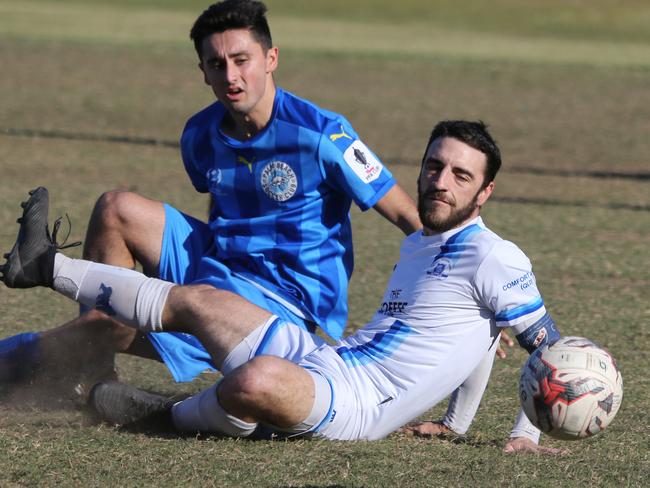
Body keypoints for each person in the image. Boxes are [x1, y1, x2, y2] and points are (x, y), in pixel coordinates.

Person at [0, 120, 563, 451]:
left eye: (460, 176)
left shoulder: (494, 254)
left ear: (484, 193)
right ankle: (44, 267)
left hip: (357, 405)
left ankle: (161, 415)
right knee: (204, 300)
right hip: (327, 359)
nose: (441, 183)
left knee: (257, 381)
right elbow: (487, 336)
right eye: (434, 167)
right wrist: (453, 423)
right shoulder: (421, 243)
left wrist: (528, 433)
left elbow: (549, 355)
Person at [0, 0, 421, 397]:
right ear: (202, 71)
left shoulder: (324, 134)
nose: (231, 76)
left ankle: (34, 350)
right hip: (221, 267)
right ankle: (91, 371)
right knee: (116, 208)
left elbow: (407, 214)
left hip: (285, 302)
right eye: (217, 65)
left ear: (271, 58)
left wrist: (467, 295)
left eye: (242, 60)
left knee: (114, 320)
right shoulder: (199, 135)